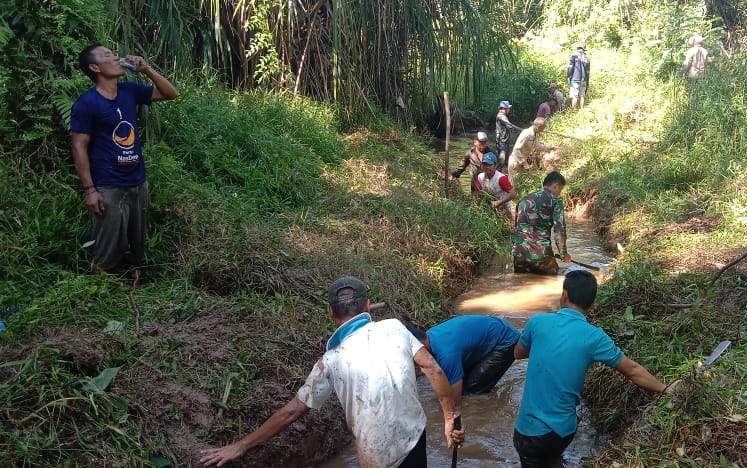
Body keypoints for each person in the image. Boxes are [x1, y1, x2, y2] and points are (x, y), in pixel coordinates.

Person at [201, 276, 464, 467]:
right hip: (413, 437)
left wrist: (242, 445)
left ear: (330, 312)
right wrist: (449, 418)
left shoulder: (330, 361)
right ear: (368, 306)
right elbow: (433, 368)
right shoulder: (395, 327)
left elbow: (292, 411)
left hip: (375, 455)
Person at [512, 270, 675, 467]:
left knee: (534, 454)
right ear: (592, 304)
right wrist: (666, 389)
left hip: (529, 434)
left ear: (564, 295)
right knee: (553, 456)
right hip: (563, 432)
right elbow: (632, 370)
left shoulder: (538, 322)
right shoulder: (595, 337)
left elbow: (518, 354)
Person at [71, 44, 179, 274]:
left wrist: (147, 70)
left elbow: (171, 93)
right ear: (94, 67)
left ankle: (132, 281)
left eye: (113, 53)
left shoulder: (129, 91)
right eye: (107, 55)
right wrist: (90, 190)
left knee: (136, 244)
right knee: (106, 248)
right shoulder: (87, 103)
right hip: (109, 185)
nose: (116, 57)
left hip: (138, 181)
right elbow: (79, 146)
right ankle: (99, 285)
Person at [405, 315, 521, 412]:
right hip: (492, 331)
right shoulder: (430, 336)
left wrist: (453, 416)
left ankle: (487, 411)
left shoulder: (446, 354)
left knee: (471, 393)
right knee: (459, 382)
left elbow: (456, 400)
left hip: (505, 340)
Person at [512, 171, 569, 275]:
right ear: (556, 185)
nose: (560, 192)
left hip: (519, 253)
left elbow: (517, 227)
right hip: (540, 255)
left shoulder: (523, 200)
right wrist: (563, 254)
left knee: (520, 282)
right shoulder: (556, 201)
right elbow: (559, 231)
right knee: (554, 278)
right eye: (561, 189)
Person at [475, 153, 518, 220]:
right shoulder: (480, 177)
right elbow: (479, 192)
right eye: (485, 164)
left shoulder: (501, 179)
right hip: (490, 205)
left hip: (504, 207)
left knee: (506, 226)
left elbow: (513, 194)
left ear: (495, 165)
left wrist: (499, 202)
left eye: (489, 165)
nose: (487, 167)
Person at [495, 101, 523, 172]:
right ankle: (498, 175)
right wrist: (521, 130)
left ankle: (503, 175)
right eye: (508, 108)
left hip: (504, 141)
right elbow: (509, 125)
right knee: (502, 160)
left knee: (505, 160)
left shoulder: (502, 116)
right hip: (502, 141)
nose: (509, 110)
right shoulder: (501, 116)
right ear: (504, 108)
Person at [566, 44, 590, 109]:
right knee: (582, 95)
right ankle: (582, 109)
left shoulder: (573, 56)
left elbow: (570, 67)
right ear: (583, 49)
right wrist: (587, 82)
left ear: (577, 48)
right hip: (584, 79)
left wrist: (568, 76)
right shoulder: (587, 58)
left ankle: (573, 111)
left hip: (575, 79)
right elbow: (588, 71)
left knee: (575, 96)